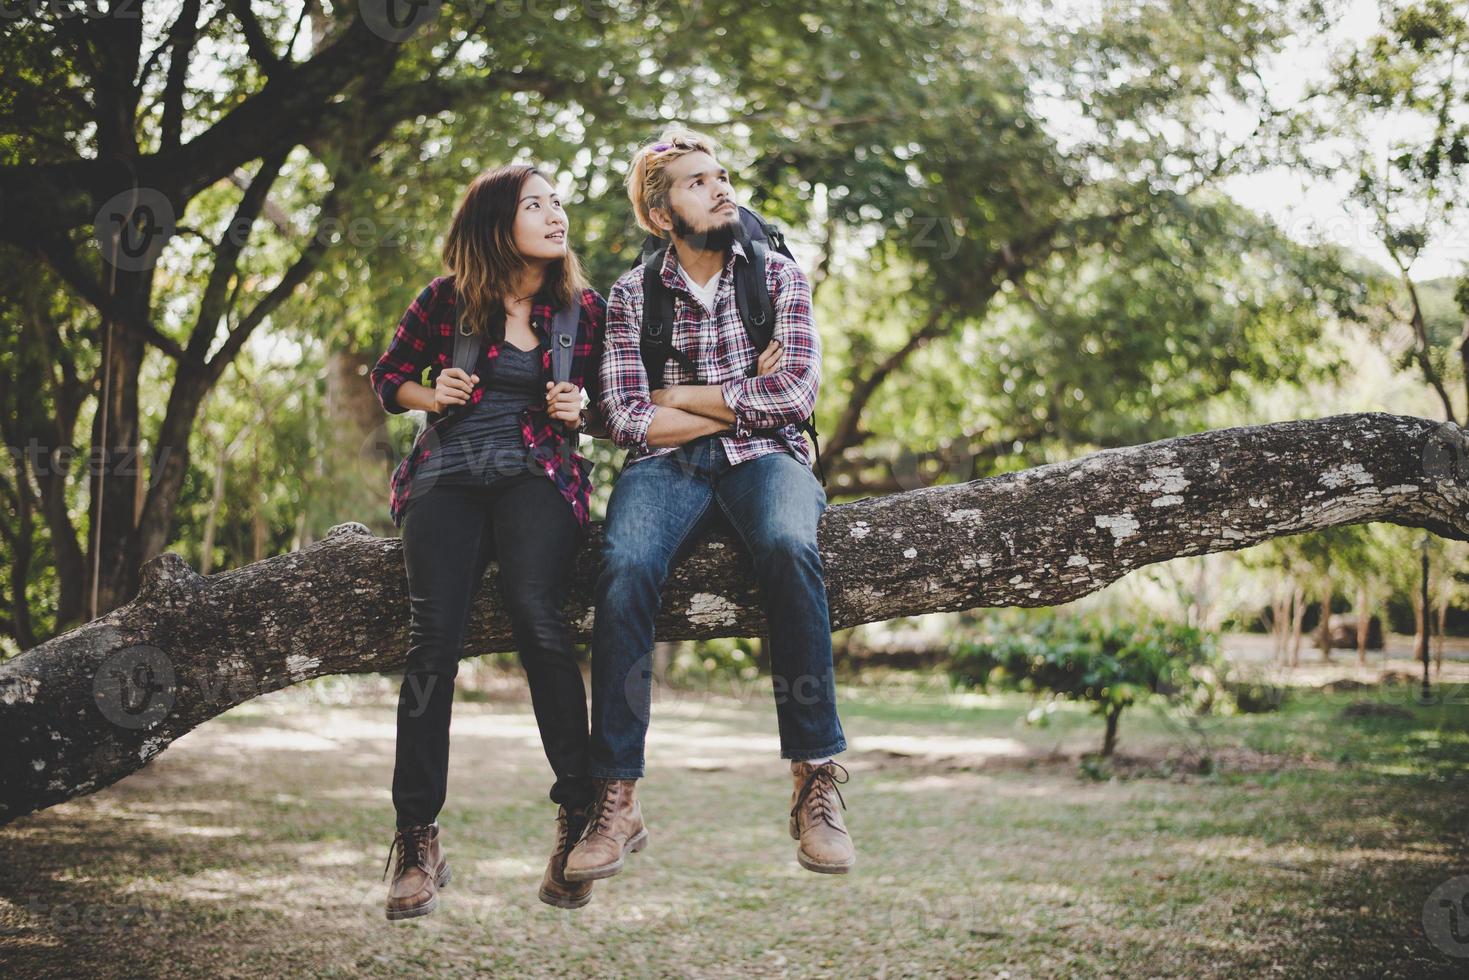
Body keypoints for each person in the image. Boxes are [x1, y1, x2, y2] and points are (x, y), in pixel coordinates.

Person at [565, 128, 855, 885]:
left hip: (769, 462)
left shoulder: (779, 278)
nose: (721, 189)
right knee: (623, 565)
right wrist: (735, 403)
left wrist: (678, 396)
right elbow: (624, 417)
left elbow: (794, 396)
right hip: (666, 465)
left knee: (790, 547)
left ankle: (814, 778)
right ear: (661, 215)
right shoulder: (631, 294)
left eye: (722, 177)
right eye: (698, 183)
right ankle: (617, 796)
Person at [367, 163, 607, 918]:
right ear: (496, 221)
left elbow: (616, 405)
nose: (554, 213)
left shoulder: (582, 310)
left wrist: (583, 405)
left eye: (557, 202)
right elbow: (388, 377)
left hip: (539, 470)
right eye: (535, 203)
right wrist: (428, 390)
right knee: (431, 637)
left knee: (538, 614)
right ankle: (415, 839)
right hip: (448, 471)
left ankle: (577, 816)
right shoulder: (445, 301)